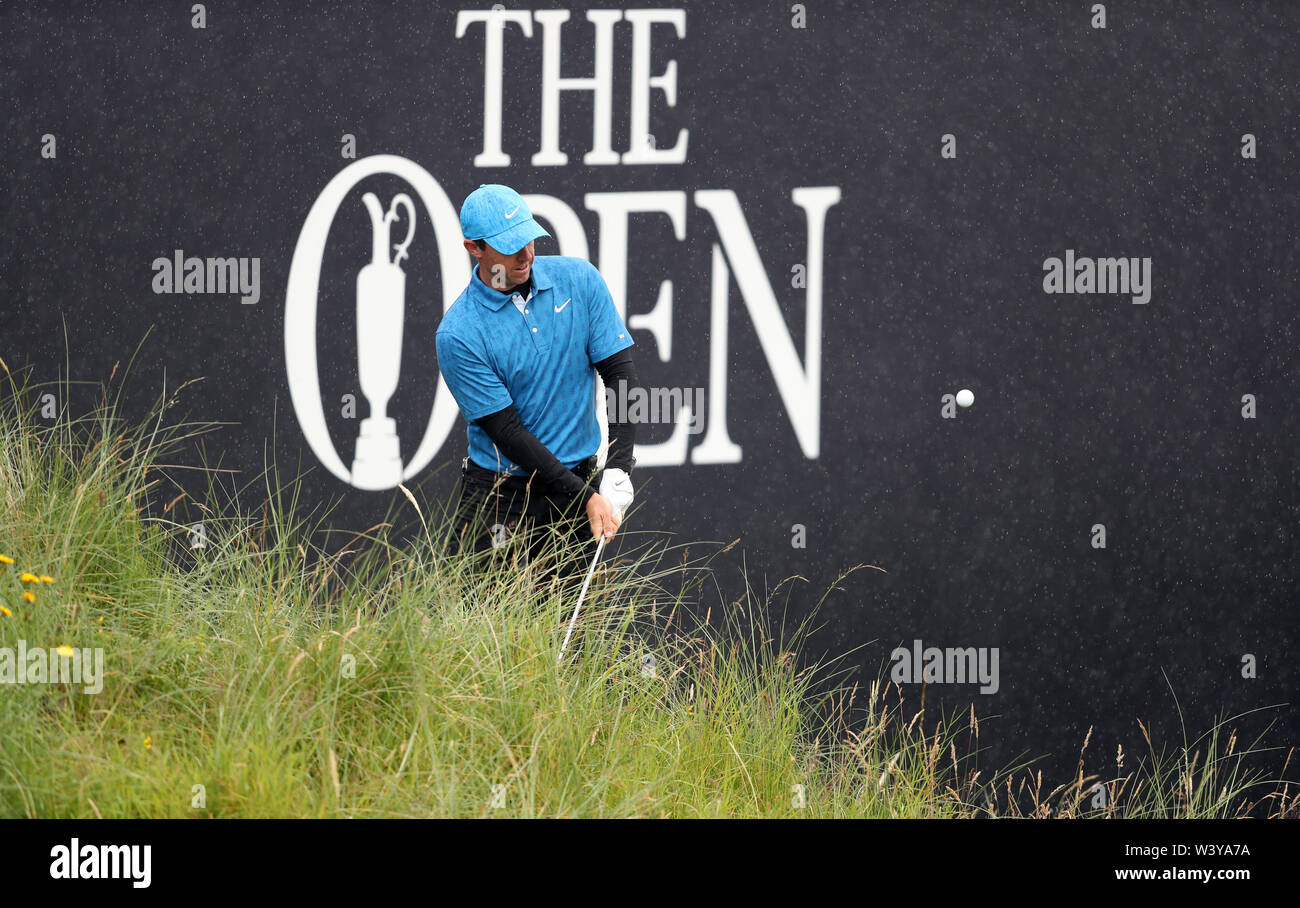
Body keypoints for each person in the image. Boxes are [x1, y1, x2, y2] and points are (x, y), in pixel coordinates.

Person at [436, 183, 640, 578]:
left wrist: (617, 466)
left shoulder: (579, 280)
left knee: (570, 633)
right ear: (474, 248)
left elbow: (620, 374)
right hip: (501, 498)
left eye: (529, 239)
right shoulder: (458, 334)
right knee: (484, 634)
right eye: (510, 246)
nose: (527, 254)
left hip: (578, 488)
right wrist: (587, 498)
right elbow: (508, 432)